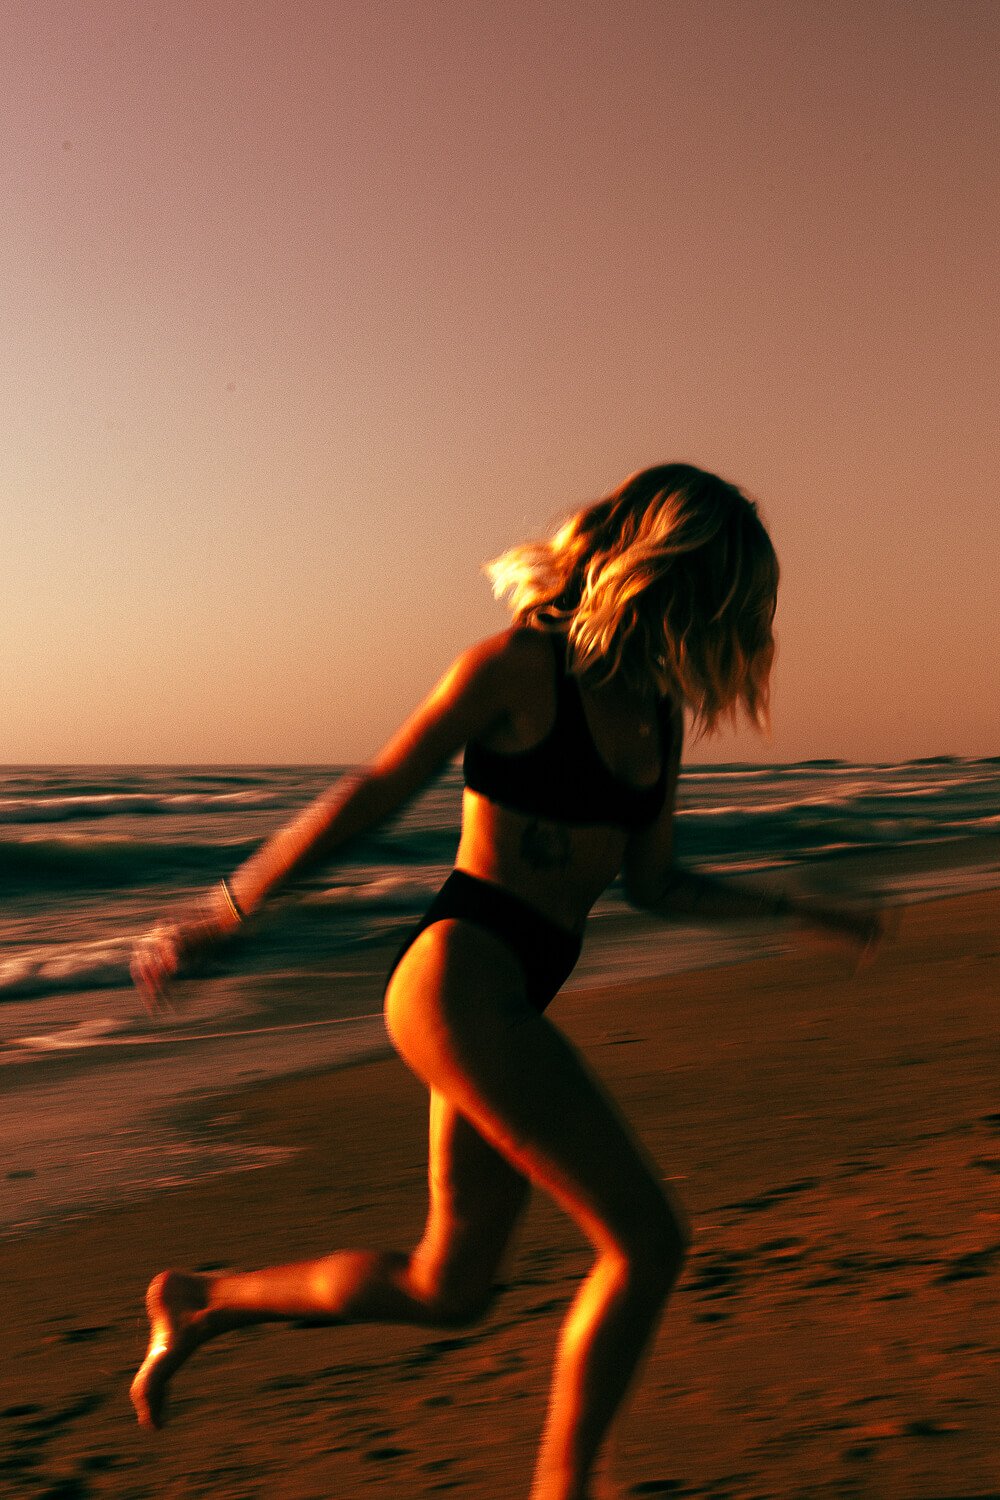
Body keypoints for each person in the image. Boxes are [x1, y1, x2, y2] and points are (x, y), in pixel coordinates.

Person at [130, 464, 880, 1500]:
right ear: (666, 573)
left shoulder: (656, 717)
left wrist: (796, 912)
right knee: (646, 1243)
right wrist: (228, 912)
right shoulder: (519, 667)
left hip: (512, 994)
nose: (736, 621)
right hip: (458, 978)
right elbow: (374, 793)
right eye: (728, 593)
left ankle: (202, 1301)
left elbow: (656, 883)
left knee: (448, 1286)